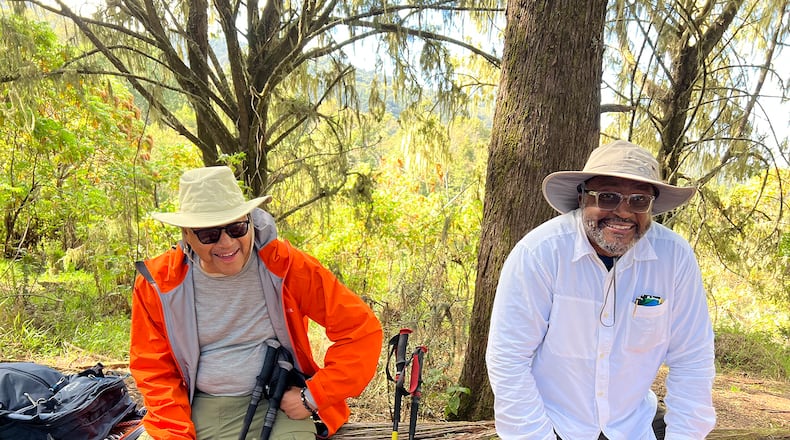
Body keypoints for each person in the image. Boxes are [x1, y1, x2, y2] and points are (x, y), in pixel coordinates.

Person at [129, 166, 383, 440]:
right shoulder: (159, 283)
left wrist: (314, 396)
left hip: (278, 403)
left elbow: (361, 330)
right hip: (198, 406)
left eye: (237, 227)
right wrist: (174, 433)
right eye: (209, 234)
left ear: (250, 220)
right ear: (187, 234)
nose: (227, 243)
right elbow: (153, 368)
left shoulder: (285, 266)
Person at [486, 140, 716, 440]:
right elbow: (508, 357)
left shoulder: (674, 258)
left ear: (651, 206)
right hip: (551, 423)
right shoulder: (540, 253)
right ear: (583, 198)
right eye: (607, 197)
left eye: (638, 200)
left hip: (634, 426)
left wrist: (683, 436)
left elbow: (692, 358)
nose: (623, 213)